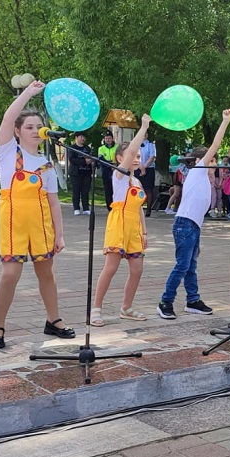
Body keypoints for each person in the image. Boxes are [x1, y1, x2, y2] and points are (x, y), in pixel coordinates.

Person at [0, 80, 72, 349]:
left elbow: (54, 203)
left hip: (41, 225)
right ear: (17, 131)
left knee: (46, 273)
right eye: (29, 127)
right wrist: (28, 93)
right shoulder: (8, 152)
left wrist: (59, 234)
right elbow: (7, 117)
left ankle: (53, 320)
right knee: (10, 274)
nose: (36, 131)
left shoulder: (46, 164)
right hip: (13, 223)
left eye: (39, 126)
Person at [157, 109, 230, 319]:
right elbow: (215, 144)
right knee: (182, 265)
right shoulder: (198, 170)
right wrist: (225, 121)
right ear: (201, 160)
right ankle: (165, 302)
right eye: (213, 160)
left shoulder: (206, 180)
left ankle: (192, 300)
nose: (215, 163)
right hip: (185, 224)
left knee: (191, 266)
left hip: (193, 226)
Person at [89, 117, 153, 325]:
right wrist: (144, 127)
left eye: (138, 156)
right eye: (132, 156)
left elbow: (140, 208)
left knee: (137, 269)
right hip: (118, 223)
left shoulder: (137, 181)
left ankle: (126, 307)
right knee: (111, 268)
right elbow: (132, 150)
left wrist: (144, 232)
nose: (136, 159)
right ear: (119, 158)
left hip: (134, 226)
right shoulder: (119, 175)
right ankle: (96, 309)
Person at [67, 131, 92, 216]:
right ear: (76, 138)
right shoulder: (72, 148)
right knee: (76, 190)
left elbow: (91, 156)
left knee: (85, 191)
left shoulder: (87, 148)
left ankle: (86, 208)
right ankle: (76, 208)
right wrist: (84, 161)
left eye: (84, 137)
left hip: (86, 172)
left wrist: (90, 161)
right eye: (81, 137)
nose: (83, 139)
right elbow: (72, 159)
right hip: (76, 173)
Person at [136, 129, 157, 217]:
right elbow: (135, 156)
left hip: (149, 169)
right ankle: (137, 208)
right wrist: (141, 167)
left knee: (148, 189)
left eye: (145, 133)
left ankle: (148, 210)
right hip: (138, 168)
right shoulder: (136, 145)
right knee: (137, 189)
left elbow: (152, 157)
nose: (143, 135)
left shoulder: (151, 145)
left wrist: (144, 167)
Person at [97, 130, 118, 211]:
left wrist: (115, 165)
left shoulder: (117, 147)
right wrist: (110, 165)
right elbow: (101, 159)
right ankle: (109, 207)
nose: (108, 140)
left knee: (115, 189)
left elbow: (119, 157)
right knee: (107, 190)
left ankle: (116, 206)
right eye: (106, 138)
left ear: (112, 139)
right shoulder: (101, 148)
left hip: (115, 170)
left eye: (109, 138)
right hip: (106, 170)